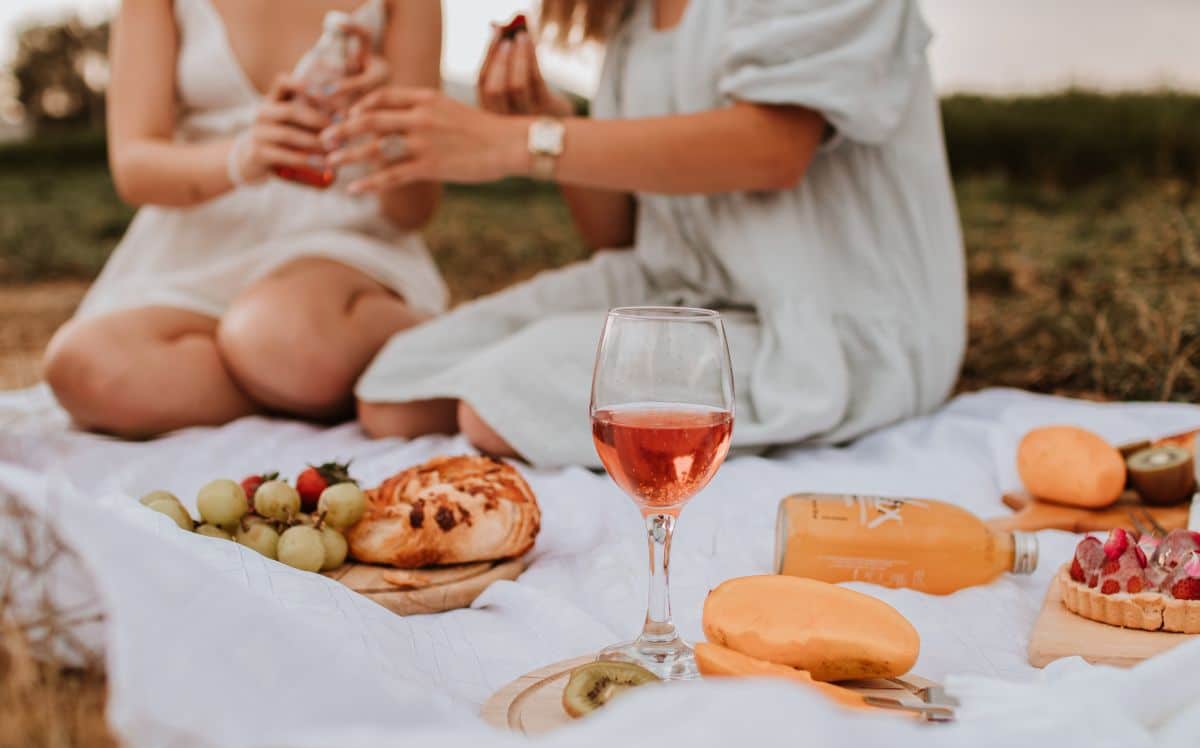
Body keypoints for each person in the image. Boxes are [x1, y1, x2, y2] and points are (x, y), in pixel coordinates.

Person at [335, 0, 966, 468]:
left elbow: (773, 149)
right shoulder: (635, 19)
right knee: (398, 388)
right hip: (683, 293)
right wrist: (547, 127)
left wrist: (518, 145)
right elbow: (618, 232)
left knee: (501, 401)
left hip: (831, 323)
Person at [43, 0, 446, 437]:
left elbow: (413, 210)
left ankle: (317, 365)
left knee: (278, 333)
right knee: (84, 365)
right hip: (196, 241)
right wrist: (243, 157)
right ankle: (303, 384)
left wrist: (382, 121)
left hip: (340, 240)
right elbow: (134, 168)